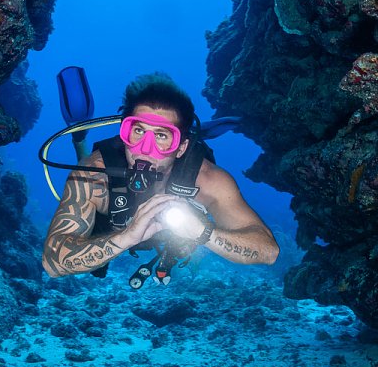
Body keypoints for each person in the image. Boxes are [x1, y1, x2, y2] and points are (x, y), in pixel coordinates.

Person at [42, 73, 279, 279]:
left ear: (181, 148)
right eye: (138, 131)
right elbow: (51, 263)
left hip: (181, 229)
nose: (145, 149)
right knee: (96, 262)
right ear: (124, 132)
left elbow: (268, 251)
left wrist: (203, 233)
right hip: (112, 228)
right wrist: (127, 237)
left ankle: (195, 133)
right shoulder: (92, 176)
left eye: (162, 136)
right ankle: (79, 139)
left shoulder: (206, 179)